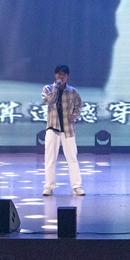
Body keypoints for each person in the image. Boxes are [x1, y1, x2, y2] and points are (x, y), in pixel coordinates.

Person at [42, 65, 85, 196]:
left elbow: (79, 106)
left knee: (72, 158)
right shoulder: (48, 88)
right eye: (59, 74)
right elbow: (48, 101)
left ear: (67, 76)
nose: (61, 76)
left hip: (68, 128)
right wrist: (56, 87)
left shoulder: (73, 91)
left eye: (64, 74)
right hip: (52, 127)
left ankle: (77, 187)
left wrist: (74, 115)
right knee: (50, 158)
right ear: (55, 75)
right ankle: (49, 187)